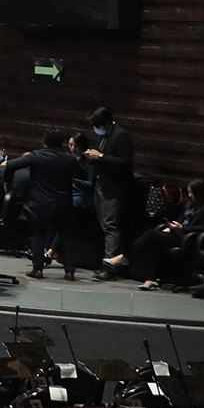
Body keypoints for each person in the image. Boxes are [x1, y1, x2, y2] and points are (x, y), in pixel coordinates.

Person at [7, 129, 88, 280]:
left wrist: (8, 182)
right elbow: (84, 175)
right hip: (63, 204)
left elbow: (10, 165)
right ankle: (70, 272)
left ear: (44, 142)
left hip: (39, 204)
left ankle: (38, 269)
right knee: (67, 237)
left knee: (38, 236)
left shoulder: (36, 156)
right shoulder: (70, 159)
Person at [83, 107, 138, 280]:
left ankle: (110, 265)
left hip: (114, 188)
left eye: (97, 126)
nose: (96, 129)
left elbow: (125, 163)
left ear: (106, 122)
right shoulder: (104, 135)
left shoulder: (120, 136)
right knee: (104, 225)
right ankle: (105, 262)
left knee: (110, 226)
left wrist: (100, 157)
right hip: (101, 184)